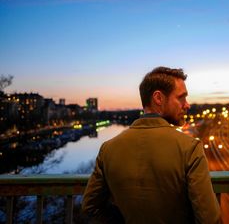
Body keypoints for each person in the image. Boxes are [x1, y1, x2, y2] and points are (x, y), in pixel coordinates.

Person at [82, 66, 221, 224]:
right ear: (158, 98)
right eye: (181, 98)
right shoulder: (190, 148)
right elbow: (209, 218)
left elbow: (90, 207)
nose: (187, 105)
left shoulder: (108, 148)